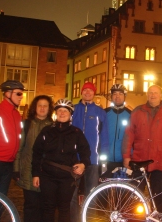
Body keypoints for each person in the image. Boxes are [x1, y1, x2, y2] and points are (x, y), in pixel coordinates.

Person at [122, 84, 162, 212]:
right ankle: (133, 218)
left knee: (158, 197)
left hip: (160, 160)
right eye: (150, 93)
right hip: (140, 160)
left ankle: (156, 217)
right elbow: (129, 135)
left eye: (155, 93)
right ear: (147, 95)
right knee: (134, 194)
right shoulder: (137, 111)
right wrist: (126, 156)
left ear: (161, 95)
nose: (153, 95)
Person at [32, 99, 90, 222]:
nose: (62, 113)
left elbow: (85, 151)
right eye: (60, 111)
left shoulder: (76, 133)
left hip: (67, 177)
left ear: (70, 114)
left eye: (65, 111)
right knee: (48, 208)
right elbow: (36, 153)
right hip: (47, 175)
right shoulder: (47, 131)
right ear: (56, 113)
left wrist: (83, 164)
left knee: (64, 208)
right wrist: (36, 174)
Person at [70, 82, 108, 221]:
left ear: (94, 93)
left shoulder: (100, 112)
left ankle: (89, 218)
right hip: (75, 159)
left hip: (92, 160)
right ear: (81, 92)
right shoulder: (73, 109)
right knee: (72, 195)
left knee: (92, 194)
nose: (87, 93)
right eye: (85, 90)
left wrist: (103, 160)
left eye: (90, 90)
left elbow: (104, 136)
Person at [13, 95, 54, 222]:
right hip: (28, 172)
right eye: (39, 105)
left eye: (45, 106)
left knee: (45, 207)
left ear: (49, 108)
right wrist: (16, 169)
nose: (42, 108)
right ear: (35, 108)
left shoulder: (53, 127)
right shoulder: (27, 124)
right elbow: (19, 148)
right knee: (30, 206)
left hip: (47, 174)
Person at [104, 84, 131, 173]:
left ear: (125, 96)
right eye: (115, 94)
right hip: (105, 159)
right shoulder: (104, 113)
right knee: (105, 185)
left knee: (122, 186)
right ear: (111, 96)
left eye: (120, 94)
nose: (117, 96)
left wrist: (130, 156)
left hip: (124, 159)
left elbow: (133, 137)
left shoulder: (130, 114)